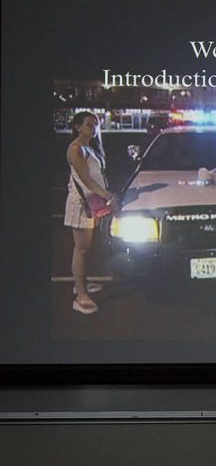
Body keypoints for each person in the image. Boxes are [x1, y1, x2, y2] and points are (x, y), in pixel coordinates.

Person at [64, 111, 116, 315]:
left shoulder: (90, 147)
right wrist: (108, 196)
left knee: (86, 248)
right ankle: (80, 296)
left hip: (91, 202)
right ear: (78, 127)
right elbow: (86, 179)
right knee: (81, 249)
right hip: (81, 204)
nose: (92, 128)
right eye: (88, 124)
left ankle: (81, 284)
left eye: (95, 125)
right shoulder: (76, 148)